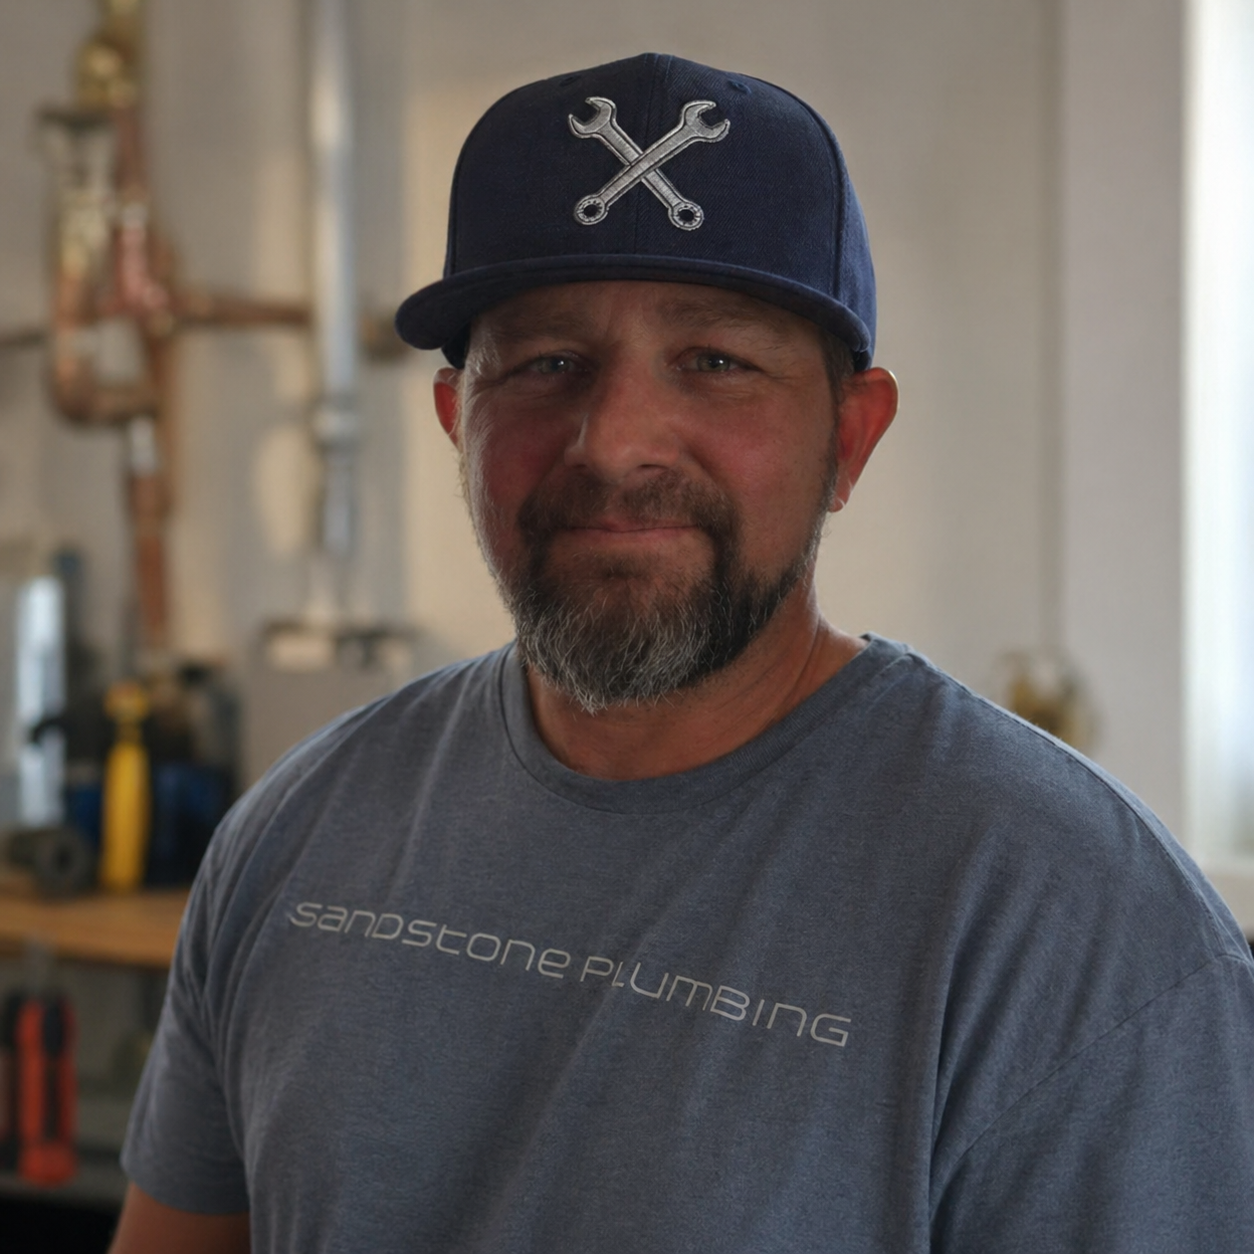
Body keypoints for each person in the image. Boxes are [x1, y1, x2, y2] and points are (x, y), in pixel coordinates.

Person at [110, 53, 1254, 1253]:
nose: (615, 441)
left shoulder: (1082, 935)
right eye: (548, 362)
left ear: (849, 440)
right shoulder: (300, 834)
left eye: (716, 362)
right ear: (459, 420)